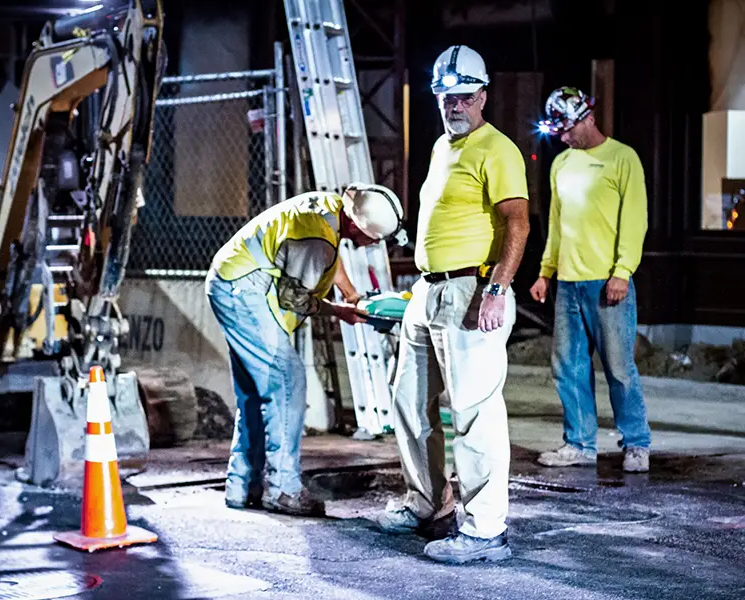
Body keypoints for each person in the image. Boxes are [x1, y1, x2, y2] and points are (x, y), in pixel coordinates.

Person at [376, 45, 530, 564]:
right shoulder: (444, 148)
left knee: (474, 410)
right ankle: (428, 506)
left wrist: (496, 289)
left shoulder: (498, 149)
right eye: (445, 96)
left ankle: (486, 529)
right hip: (429, 289)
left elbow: (517, 222)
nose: (453, 105)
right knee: (409, 402)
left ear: (483, 96)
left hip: (470, 291)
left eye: (464, 96)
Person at [206, 183, 405, 516]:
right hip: (245, 289)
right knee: (287, 381)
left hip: (230, 280)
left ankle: (242, 486)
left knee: (257, 393)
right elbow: (293, 297)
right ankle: (283, 488)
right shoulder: (317, 241)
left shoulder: (330, 211)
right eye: (374, 238)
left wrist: (351, 298)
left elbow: (328, 257)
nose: (374, 245)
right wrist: (335, 310)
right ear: (358, 227)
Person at [530, 86, 651, 473]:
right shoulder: (561, 164)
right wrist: (546, 271)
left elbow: (635, 220)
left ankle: (636, 442)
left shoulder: (622, 159)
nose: (564, 138)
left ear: (588, 118)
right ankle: (579, 443)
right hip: (568, 283)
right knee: (568, 366)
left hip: (607, 283)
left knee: (619, 368)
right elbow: (556, 224)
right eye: (559, 132)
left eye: (567, 129)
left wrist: (622, 271)